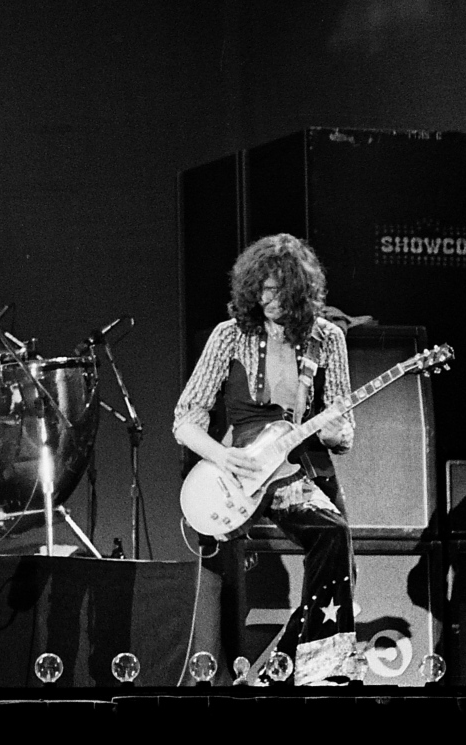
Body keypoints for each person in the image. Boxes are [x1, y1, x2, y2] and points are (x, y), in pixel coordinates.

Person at [173, 233, 357, 686]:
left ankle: (300, 670)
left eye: (278, 291)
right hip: (243, 470)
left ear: (299, 291)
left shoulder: (327, 338)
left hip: (301, 467)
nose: (268, 300)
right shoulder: (229, 335)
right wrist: (223, 455)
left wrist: (334, 432)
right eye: (262, 290)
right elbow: (185, 419)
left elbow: (344, 431)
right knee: (333, 541)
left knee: (337, 547)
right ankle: (294, 671)